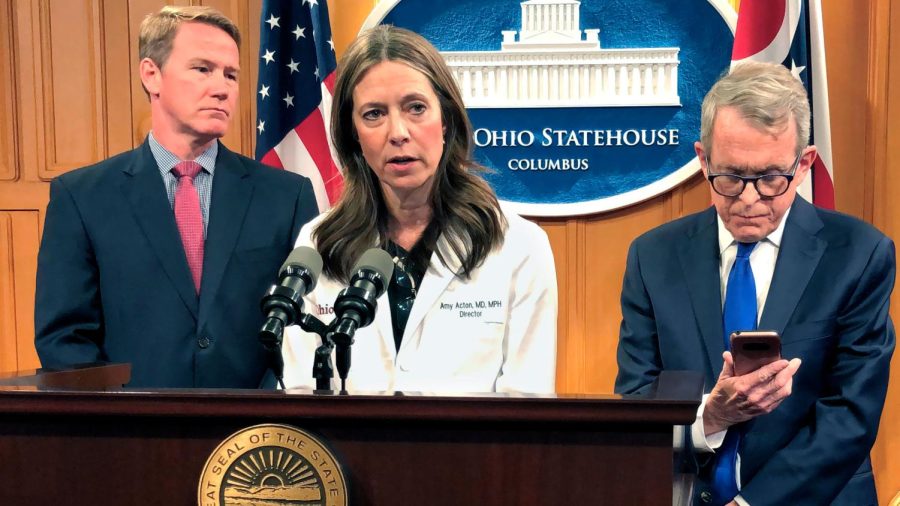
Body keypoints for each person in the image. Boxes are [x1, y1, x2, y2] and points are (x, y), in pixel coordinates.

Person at [615, 61, 895, 506]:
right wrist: (711, 416)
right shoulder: (653, 257)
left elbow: (850, 415)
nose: (748, 199)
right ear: (703, 160)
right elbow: (637, 403)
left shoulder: (859, 255)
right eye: (728, 177)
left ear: (803, 165)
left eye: (769, 179)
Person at [34, 6, 318, 388]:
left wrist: (262, 408)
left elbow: (305, 324)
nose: (222, 87)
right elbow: (64, 339)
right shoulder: (81, 197)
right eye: (202, 69)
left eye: (231, 74)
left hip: (257, 434)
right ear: (151, 75)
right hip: (132, 435)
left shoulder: (288, 196)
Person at [281, 26, 557, 394]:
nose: (398, 132)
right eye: (374, 114)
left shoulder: (518, 245)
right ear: (354, 136)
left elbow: (528, 401)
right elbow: (299, 392)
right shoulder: (318, 243)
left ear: (446, 120)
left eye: (415, 108)